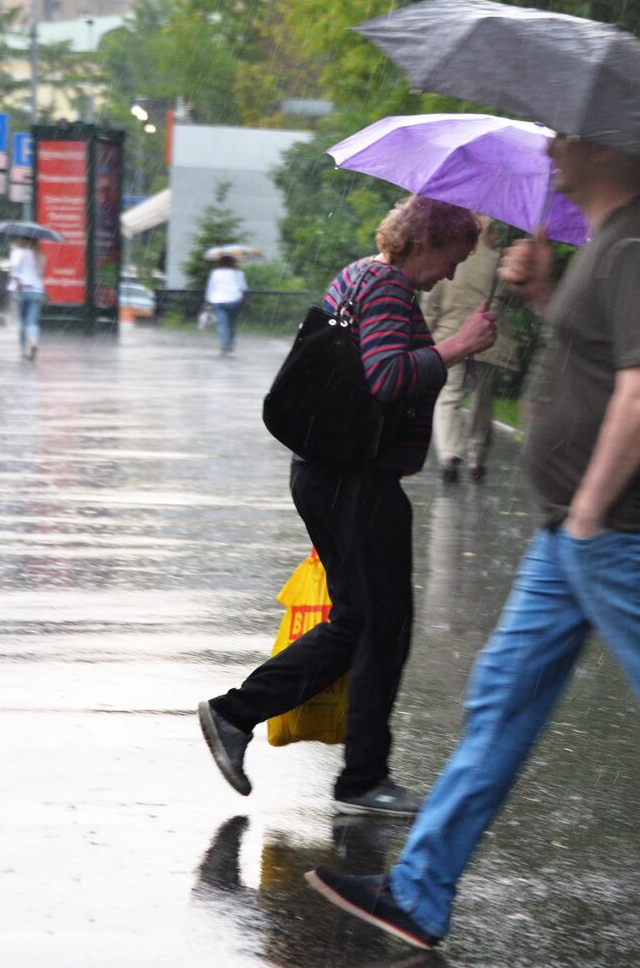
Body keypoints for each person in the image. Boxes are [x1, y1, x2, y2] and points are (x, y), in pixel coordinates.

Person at [303, 138, 640, 967]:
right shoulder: (609, 242)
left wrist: (586, 509)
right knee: (501, 702)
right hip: (579, 532)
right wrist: (547, 291)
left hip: (622, 531)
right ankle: (419, 891)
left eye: (566, 135)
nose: (551, 148)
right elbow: (602, 356)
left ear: (608, 146)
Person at [197, 197, 498, 817]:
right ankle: (349, 771)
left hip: (334, 476)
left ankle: (255, 723)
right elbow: (385, 378)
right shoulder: (386, 287)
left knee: (364, 621)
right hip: (354, 482)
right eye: (451, 257)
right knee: (379, 625)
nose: (449, 273)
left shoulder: (361, 274)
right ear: (425, 241)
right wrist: (457, 346)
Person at [421, 214, 521, 484]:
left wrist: (423, 334)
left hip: (449, 336)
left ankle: (450, 456)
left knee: (449, 396)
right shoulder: (499, 262)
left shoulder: (449, 257)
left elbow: (432, 302)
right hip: (487, 340)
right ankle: (477, 458)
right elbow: (508, 302)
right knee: (481, 400)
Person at [7, 237, 45, 361]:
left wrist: (17, 280)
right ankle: (34, 342)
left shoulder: (18, 253)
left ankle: (23, 350)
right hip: (38, 292)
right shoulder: (40, 256)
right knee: (32, 322)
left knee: (23, 322)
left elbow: (14, 270)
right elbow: (39, 274)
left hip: (23, 290)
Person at [204, 254, 248, 355]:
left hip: (218, 301)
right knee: (232, 324)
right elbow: (243, 289)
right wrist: (244, 301)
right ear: (233, 263)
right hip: (234, 300)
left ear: (220, 262)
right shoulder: (239, 273)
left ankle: (223, 347)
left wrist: (207, 301)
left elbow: (211, 287)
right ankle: (230, 345)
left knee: (222, 325)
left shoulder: (215, 273)